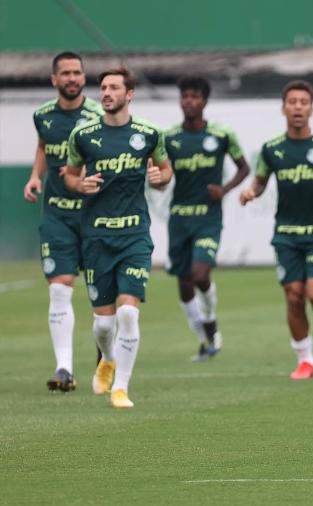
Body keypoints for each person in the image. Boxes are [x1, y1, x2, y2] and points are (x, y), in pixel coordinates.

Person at [64, 66, 173, 408]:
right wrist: (79, 185)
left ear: (130, 94)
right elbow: (69, 175)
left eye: (114, 87)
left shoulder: (149, 133)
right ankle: (107, 358)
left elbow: (166, 170)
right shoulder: (82, 136)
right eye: (103, 87)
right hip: (96, 237)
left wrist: (160, 178)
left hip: (134, 235)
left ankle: (121, 388)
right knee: (103, 323)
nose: (106, 92)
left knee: (128, 315)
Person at [239, 80, 313, 379]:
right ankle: (304, 359)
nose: (298, 107)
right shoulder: (272, 148)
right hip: (286, 233)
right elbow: (261, 180)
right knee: (293, 295)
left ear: (311, 109)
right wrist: (252, 191)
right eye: (293, 102)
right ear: (284, 108)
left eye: (303, 102)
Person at [23, 51, 103, 392]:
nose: (72, 78)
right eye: (65, 73)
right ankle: (65, 369)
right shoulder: (43, 115)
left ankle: (107, 359)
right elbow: (44, 145)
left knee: (103, 298)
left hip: (94, 214)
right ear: (54, 79)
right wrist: (34, 176)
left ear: (84, 78)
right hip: (56, 213)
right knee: (59, 288)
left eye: (77, 73)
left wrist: (85, 171)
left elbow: (109, 154)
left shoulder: (98, 114)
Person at [165, 76, 250, 362]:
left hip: (208, 219)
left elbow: (244, 167)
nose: (189, 101)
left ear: (205, 101)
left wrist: (224, 189)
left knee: (200, 274)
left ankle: (211, 321)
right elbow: (159, 170)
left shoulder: (221, 135)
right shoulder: (170, 138)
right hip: (179, 217)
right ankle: (205, 339)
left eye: (195, 96)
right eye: (185, 96)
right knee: (184, 284)